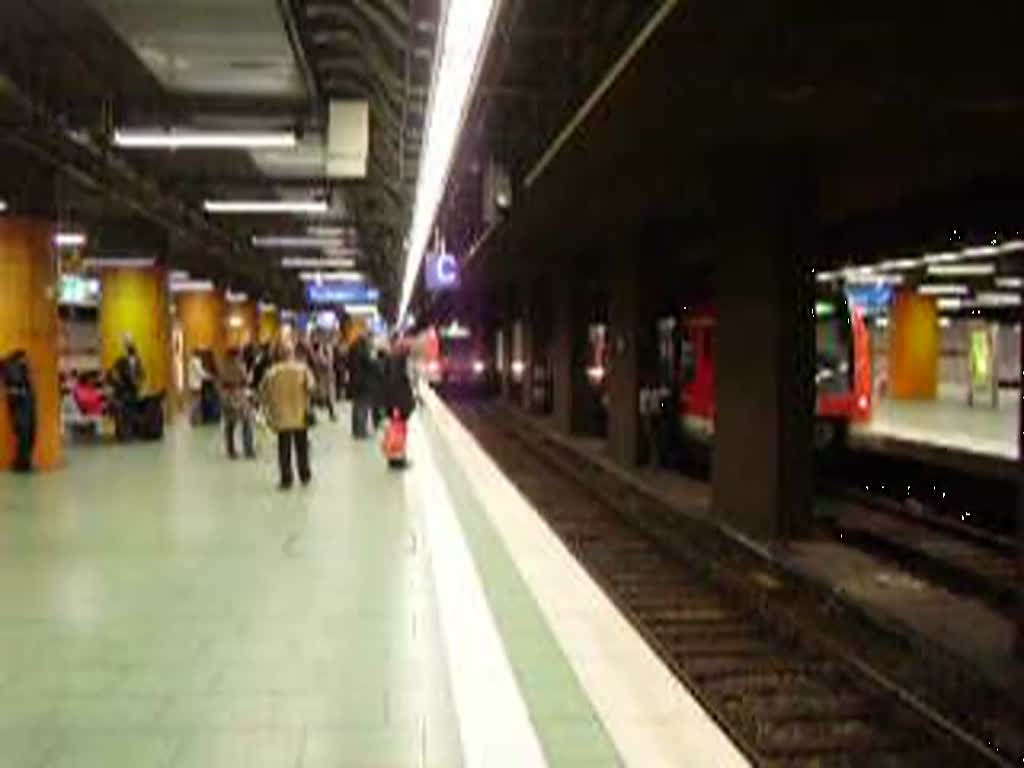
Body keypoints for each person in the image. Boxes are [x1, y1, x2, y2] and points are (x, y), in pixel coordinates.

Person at [260, 341, 315, 489]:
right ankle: (304, 475)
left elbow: (263, 393)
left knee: (284, 448)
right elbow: (311, 388)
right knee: (302, 446)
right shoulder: (303, 369)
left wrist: (269, 409)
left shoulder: (271, 372)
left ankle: (286, 478)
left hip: (281, 416)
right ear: (292, 353)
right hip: (300, 413)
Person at [1, 350, 36, 472]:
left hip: (27, 403)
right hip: (21, 405)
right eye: (25, 358)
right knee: (25, 434)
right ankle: (21, 463)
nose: (27, 360)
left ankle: (24, 462)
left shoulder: (21, 368)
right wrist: (10, 391)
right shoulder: (11, 367)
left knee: (29, 434)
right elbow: (13, 385)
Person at [220, 348, 255, 459]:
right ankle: (248, 450)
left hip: (226, 395)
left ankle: (231, 450)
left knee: (230, 424)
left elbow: (220, 380)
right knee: (247, 422)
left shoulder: (222, 365)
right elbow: (246, 380)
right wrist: (250, 375)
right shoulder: (239, 365)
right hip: (238, 395)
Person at [347, 337, 372, 438]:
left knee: (356, 406)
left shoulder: (352, 354)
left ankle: (355, 430)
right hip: (363, 383)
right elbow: (370, 365)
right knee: (363, 406)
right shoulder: (364, 354)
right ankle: (361, 431)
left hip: (354, 382)